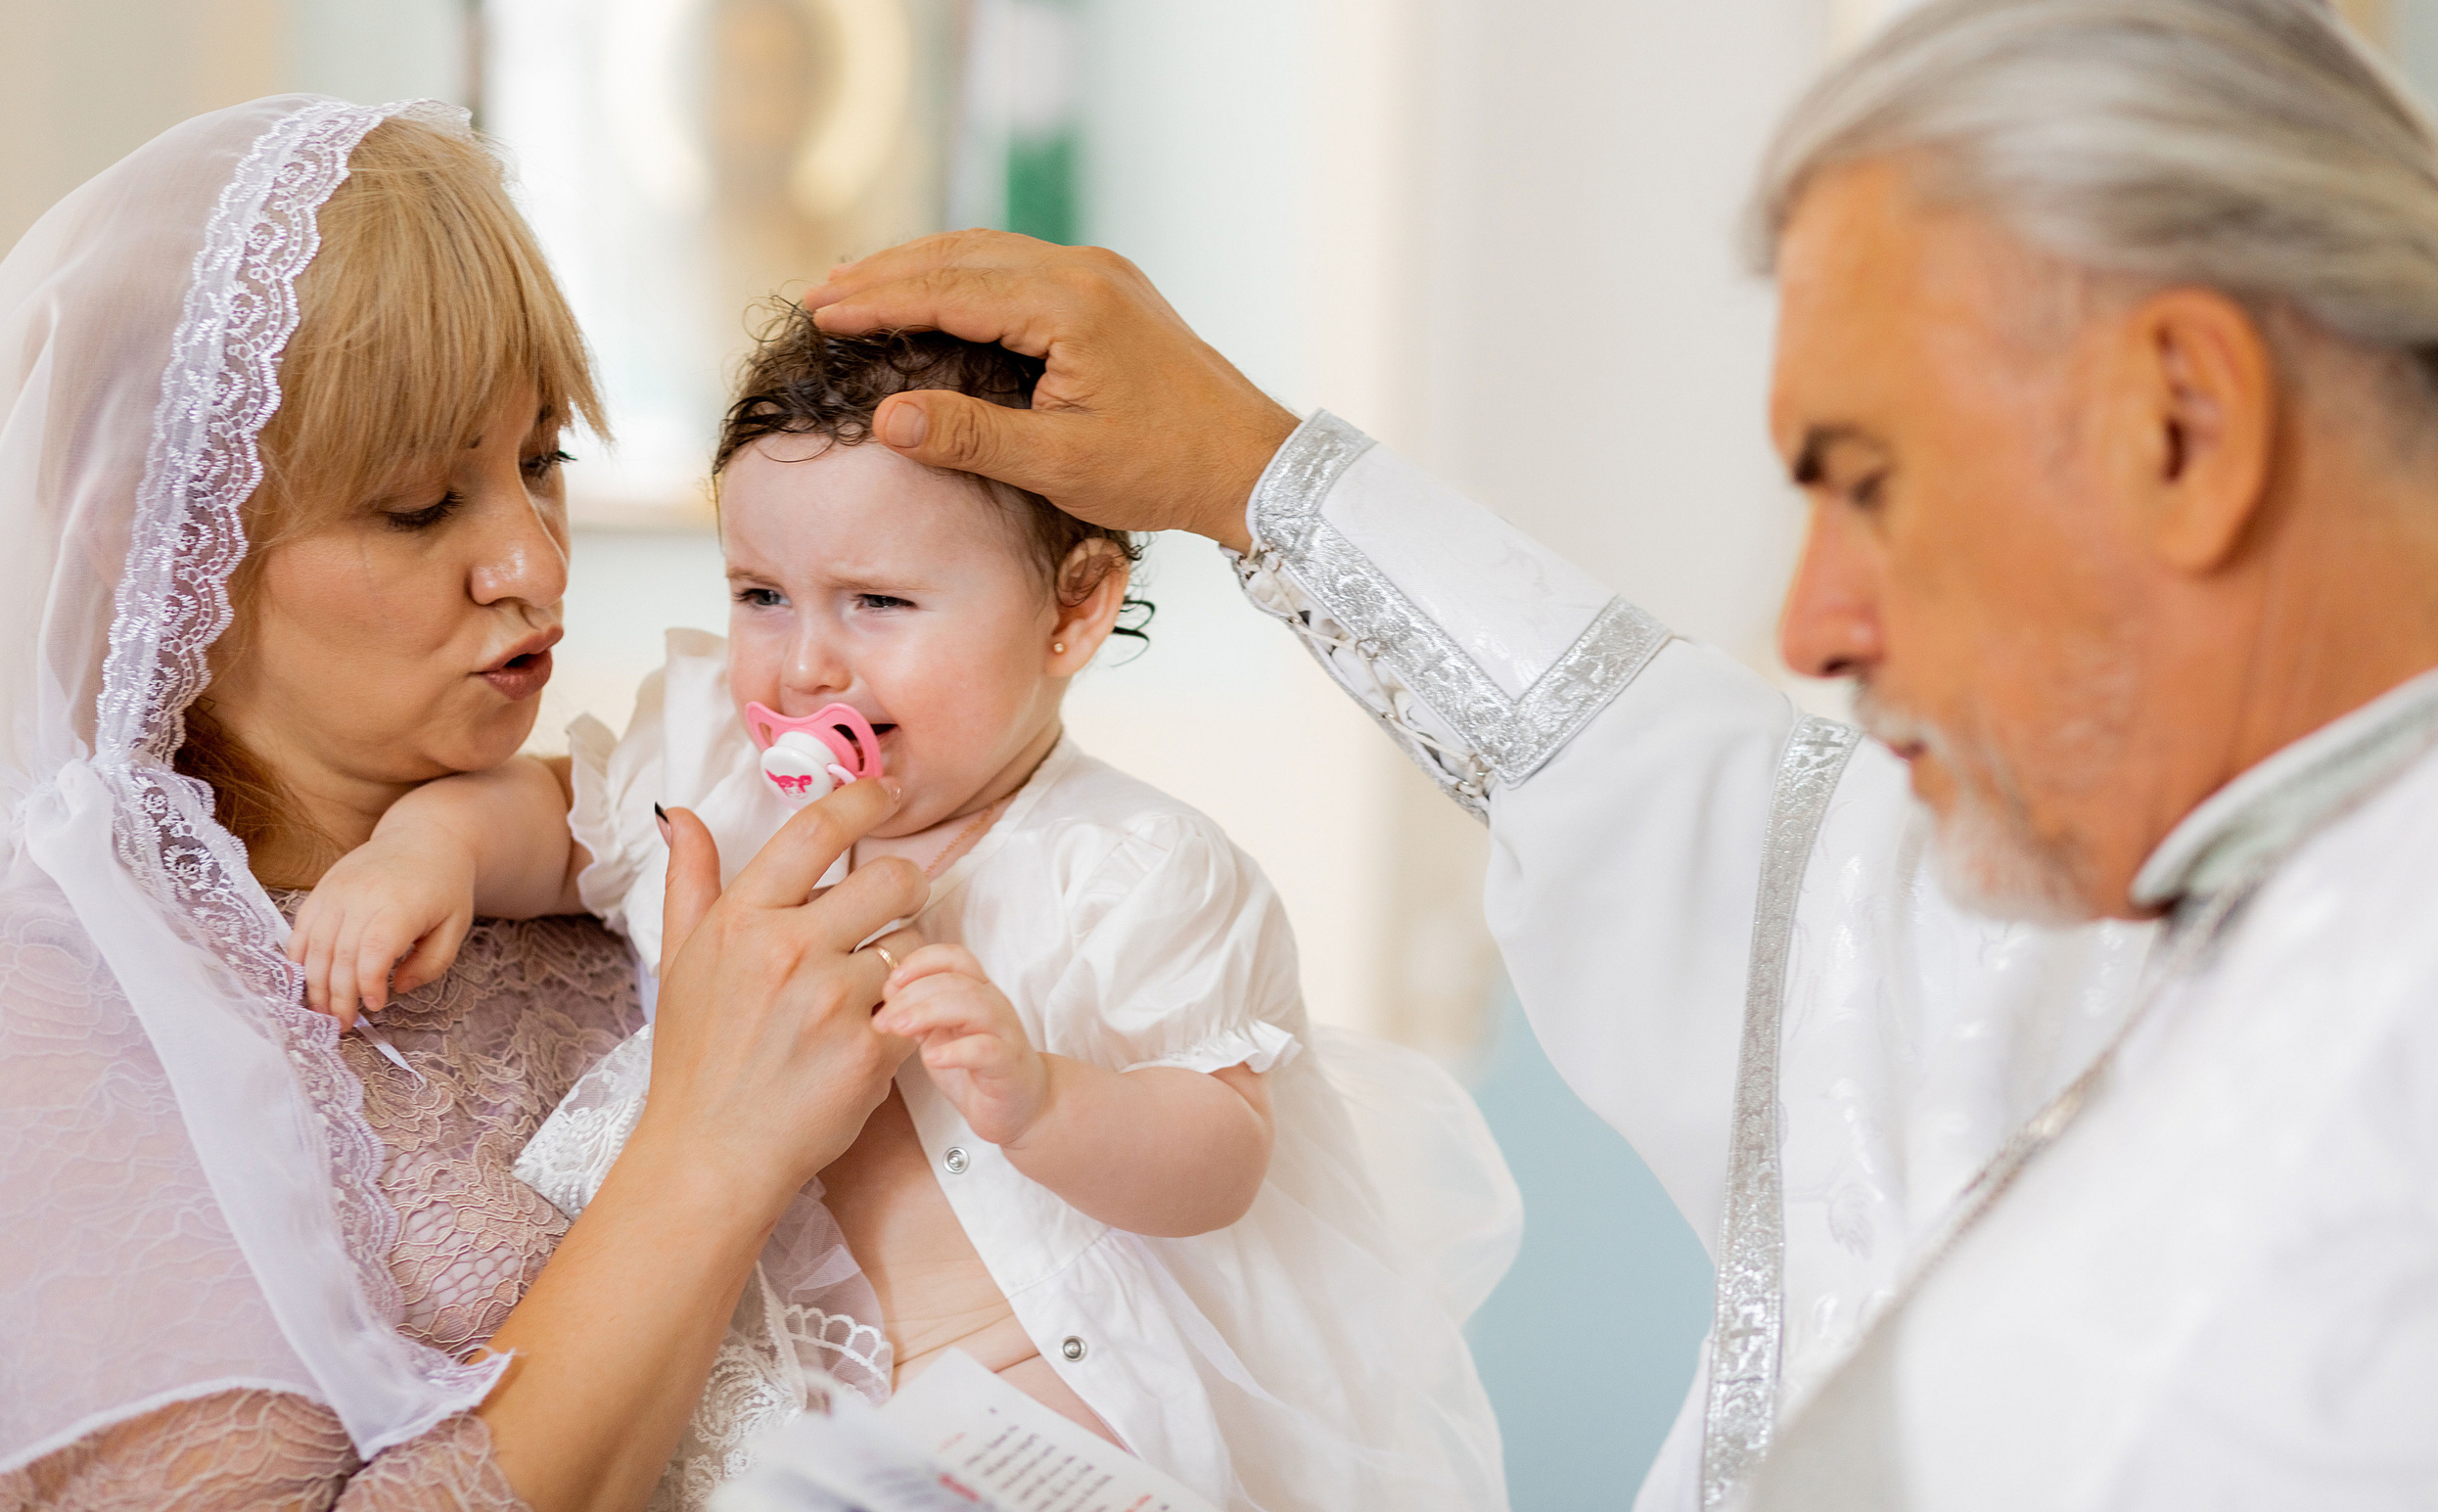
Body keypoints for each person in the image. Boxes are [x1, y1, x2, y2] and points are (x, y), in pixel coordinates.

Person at [799, 0, 2438, 1510]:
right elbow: (1708, 806)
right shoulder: (2174, 833)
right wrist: (1250, 476)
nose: (1815, 624)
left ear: (2182, 425)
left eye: (1874, 485)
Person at [288, 312, 1519, 1512]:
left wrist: (1042, 1097)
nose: (806, 663)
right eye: (763, 594)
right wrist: (424, 850)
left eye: (876, 602)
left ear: (1073, 608)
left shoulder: (1134, 868)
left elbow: (1222, 1158)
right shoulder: (715, 758)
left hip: (1027, 1388)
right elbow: (558, 820)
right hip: (768, 1394)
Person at [0, 98, 925, 1511]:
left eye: (541, 458)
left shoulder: (598, 849)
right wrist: (710, 1143)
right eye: (423, 504)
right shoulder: (61, 1011)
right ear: (150, 544)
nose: (535, 566)